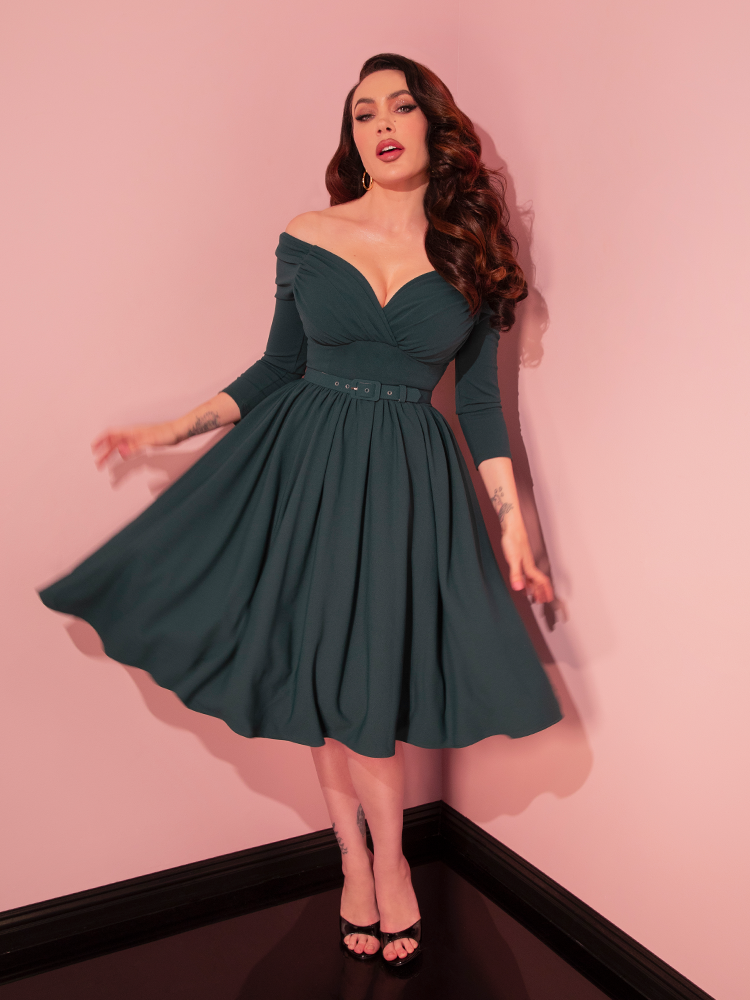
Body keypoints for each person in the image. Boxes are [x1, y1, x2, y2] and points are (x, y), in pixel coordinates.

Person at [38, 53, 563, 969]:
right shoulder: (309, 233)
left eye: (401, 107)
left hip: (405, 479)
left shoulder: (470, 251)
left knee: (367, 681)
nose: (382, 123)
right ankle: (357, 859)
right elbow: (279, 366)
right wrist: (172, 428)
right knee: (322, 676)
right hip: (304, 465)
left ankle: (389, 862)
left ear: (434, 127)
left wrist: (515, 528)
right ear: (351, 137)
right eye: (363, 112)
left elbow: (481, 407)